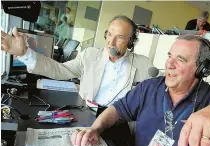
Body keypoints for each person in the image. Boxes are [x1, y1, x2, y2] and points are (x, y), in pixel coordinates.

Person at [71, 35, 210, 146]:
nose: (169, 64)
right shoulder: (150, 87)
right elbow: (117, 109)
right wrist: (95, 129)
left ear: (202, 69)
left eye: (180, 59)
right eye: (170, 56)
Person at [1, 15, 149, 107]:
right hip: (88, 115)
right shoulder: (89, 55)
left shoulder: (144, 65)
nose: (111, 42)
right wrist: (25, 54)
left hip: (119, 124)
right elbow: (60, 70)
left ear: (131, 42)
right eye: (109, 34)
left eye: (120, 37)